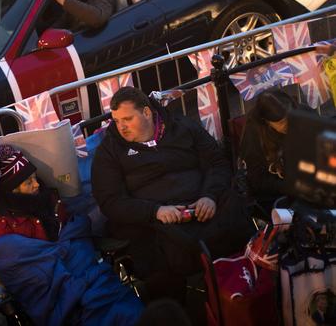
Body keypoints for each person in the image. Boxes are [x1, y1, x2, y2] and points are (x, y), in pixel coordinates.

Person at [92, 87, 253, 301]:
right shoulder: (110, 151)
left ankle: (249, 287)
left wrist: (210, 196)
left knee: (235, 209)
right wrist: (155, 211)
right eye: (116, 121)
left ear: (147, 113)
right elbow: (110, 201)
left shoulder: (183, 127)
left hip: (202, 205)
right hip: (155, 221)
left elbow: (217, 162)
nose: (121, 127)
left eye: (127, 119)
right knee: (153, 260)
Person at [0, 144, 144, 325]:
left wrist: (68, 252)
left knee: (122, 309)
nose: (37, 184)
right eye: (28, 182)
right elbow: (11, 259)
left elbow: (74, 230)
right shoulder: (4, 222)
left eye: (35, 177)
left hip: (83, 273)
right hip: (54, 288)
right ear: (12, 190)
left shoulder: (49, 200)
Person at [239, 89, 298, 213]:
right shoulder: (254, 137)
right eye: (281, 122)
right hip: (276, 197)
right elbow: (258, 181)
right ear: (266, 121)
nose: (289, 124)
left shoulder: (302, 113)